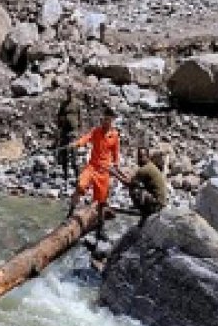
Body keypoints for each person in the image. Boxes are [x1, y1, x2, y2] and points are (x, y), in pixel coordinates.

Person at [67, 107, 120, 238]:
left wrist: (116, 166)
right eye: (105, 119)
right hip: (92, 167)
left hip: (104, 171)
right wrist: (77, 143)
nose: (106, 122)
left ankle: (100, 228)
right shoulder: (96, 131)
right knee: (80, 185)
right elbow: (86, 138)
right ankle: (70, 214)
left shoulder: (114, 136)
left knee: (101, 201)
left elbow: (116, 153)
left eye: (109, 120)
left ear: (112, 121)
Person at [112, 147, 168, 222]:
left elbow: (129, 183)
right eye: (138, 157)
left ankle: (145, 212)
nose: (139, 159)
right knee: (137, 186)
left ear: (147, 157)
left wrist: (114, 174)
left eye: (141, 157)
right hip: (160, 202)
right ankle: (146, 210)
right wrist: (118, 171)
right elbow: (132, 180)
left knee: (134, 190)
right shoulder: (150, 166)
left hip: (157, 204)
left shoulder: (144, 169)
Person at [55, 86, 82, 182]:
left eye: (71, 93)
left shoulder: (77, 104)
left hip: (73, 133)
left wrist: (79, 132)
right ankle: (65, 176)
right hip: (64, 132)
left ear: (73, 94)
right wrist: (59, 128)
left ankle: (78, 177)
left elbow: (80, 118)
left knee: (74, 155)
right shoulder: (63, 105)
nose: (70, 95)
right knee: (64, 155)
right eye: (68, 93)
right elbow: (59, 117)